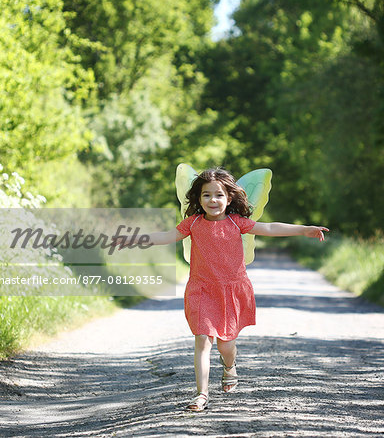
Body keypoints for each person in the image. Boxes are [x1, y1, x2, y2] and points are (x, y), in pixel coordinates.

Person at [115, 168, 329, 412]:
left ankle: (229, 366)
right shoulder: (193, 223)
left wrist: (303, 229)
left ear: (229, 199)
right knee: (203, 341)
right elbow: (166, 236)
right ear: (198, 199)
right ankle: (201, 394)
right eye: (206, 195)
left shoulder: (236, 222)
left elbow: (269, 228)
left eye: (218, 195)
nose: (212, 200)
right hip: (201, 289)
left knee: (225, 346)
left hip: (231, 290)